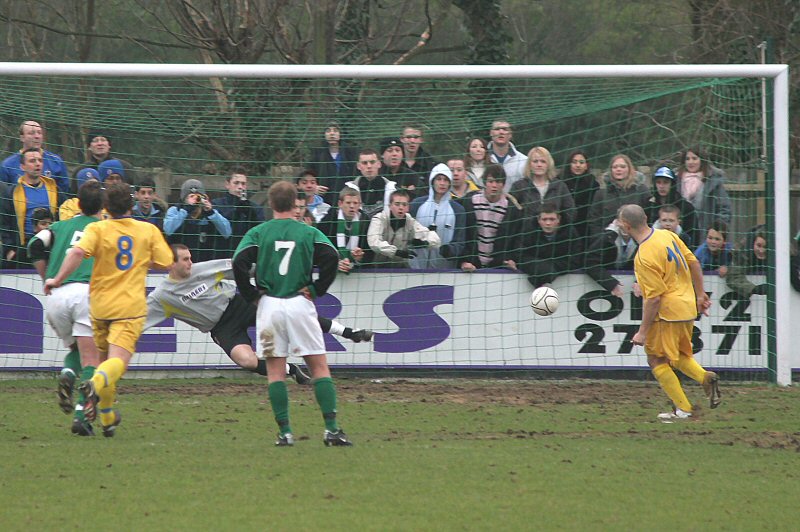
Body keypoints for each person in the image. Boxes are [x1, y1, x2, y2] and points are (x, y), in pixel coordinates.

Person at [44, 182, 174, 437]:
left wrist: (56, 279)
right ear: (132, 205)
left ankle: (107, 417)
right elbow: (166, 262)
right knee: (116, 363)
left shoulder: (97, 228)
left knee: (103, 362)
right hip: (129, 307)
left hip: (100, 307)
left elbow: (77, 252)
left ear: (107, 207)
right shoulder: (147, 230)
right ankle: (93, 384)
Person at [145, 244, 374, 385]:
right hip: (222, 328)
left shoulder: (201, 270)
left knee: (293, 315)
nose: (190, 262)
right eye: (185, 259)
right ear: (170, 264)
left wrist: (268, 272)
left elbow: (238, 267)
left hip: (240, 303)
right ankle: (291, 370)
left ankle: (349, 332)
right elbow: (137, 318)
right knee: (246, 360)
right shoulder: (162, 296)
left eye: (190, 257)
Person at [232, 180, 352, 447]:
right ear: (297, 203)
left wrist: (250, 294)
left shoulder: (259, 232)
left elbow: (238, 262)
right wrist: (318, 287)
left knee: (275, 371)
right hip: (299, 302)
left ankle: (285, 433)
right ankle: (331, 430)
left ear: (271, 204)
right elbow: (331, 256)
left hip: (269, 305)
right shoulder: (307, 232)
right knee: (319, 367)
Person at [620, 204, 720, 422]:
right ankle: (705, 377)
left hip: (667, 312)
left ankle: (684, 409)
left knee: (656, 359)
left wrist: (642, 332)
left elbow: (654, 298)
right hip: (686, 307)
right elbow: (693, 262)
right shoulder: (667, 235)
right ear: (646, 217)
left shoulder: (644, 255)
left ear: (626, 227)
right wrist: (700, 294)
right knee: (680, 356)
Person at [27, 180, 104, 436]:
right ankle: (82, 416)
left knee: (75, 350)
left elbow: (33, 246)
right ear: (102, 205)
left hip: (57, 296)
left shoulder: (59, 226)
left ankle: (68, 373)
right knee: (93, 358)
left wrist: (48, 276)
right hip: (86, 293)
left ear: (78, 204)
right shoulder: (104, 227)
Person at [0, 148, 65, 268]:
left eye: (40, 160)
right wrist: (10, 250)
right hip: (24, 252)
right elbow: (4, 224)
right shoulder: (12, 193)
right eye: (32, 161)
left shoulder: (55, 190)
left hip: (52, 250)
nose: (37, 163)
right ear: (22, 166)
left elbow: (65, 217)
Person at [459, 164, 524, 271]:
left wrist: (512, 259)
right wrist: (464, 260)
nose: (494, 185)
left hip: (499, 265)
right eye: (490, 181)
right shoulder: (469, 202)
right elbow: (463, 235)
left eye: (498, 182)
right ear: (484, 183)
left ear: (503, 184)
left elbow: (516, 238)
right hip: (471, 264)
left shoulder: (511, 209)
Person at [510, 146, 575, 242]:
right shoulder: (519, 187)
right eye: (535, 161)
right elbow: (511, 215)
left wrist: (559, 228)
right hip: (527, 240)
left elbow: (571, 211)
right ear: (529, 164)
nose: (539, 165)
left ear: (548, 164)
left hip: (555, 239)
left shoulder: (560, 186)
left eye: (543, 161)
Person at [409, 163, 467, 269]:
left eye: (446, 180)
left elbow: (460, 241)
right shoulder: (416, 205)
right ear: (432, 181)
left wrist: (449, 250)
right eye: (439, 179)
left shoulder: (458, 210)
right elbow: (405, 232)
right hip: (415, 269)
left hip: (445, 271)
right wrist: (414, 241)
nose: (442, 183)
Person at [514, 204, 582, 288]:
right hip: (537, 265)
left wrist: (548, 270)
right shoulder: (528, 230)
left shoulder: (570, 232)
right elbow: (520, 255)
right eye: (544, 219)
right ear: (538, 220)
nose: (548, 223)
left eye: (552, 219)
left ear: (559, 219)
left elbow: (574, 259)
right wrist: (545, 269)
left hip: (558, 271)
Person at [367, 189, 440, 267]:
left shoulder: (410, 222)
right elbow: (373, 242)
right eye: (397, 204)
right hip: (376, 266)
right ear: (390, 206)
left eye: (404, 204)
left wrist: (425, 243)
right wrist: (396, 252)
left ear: (408, 207)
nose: (401, 207)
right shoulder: (379, 219)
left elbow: (434, 239)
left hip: (400, 267)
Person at [164, 178, 232, 262]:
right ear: (183, 199)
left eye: (198, 197)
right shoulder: (175, 210)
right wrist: (186, 210)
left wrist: (211, 213)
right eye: (191, 196)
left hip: (204, 262)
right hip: (180, 262)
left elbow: (227, 232)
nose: (195, 200)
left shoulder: (210, 213)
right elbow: (168, 230)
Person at [676, 147, 732, 243]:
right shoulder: (676, 181)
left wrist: (717, 229)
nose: (690, 162)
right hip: (680, 234)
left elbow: (725, 208)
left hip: (705, 235)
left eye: (694, 158)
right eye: (687, 159)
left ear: (702, 160)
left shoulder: (713, 182)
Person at [587, 154, 649, 236]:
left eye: (622, 167)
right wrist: (600, 238)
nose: (618, 169)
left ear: (630, 169)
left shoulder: (641, 190)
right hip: (608, 241)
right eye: (615, 167)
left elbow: (649, 214)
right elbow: (594, 220)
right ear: (611, 170)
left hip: (637, 239)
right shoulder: (601, 194)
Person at [1, 120, 69, 193]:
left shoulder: (56, 161)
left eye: (39, 133)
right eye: (31, 133)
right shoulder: (7, 165)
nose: (37, 136)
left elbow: (65, 192)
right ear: (22, 137)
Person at [317, 186, 372, 272]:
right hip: (330, 268)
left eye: (355, 203)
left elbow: (370, 253)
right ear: (340, 204)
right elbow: (320, 248)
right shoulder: (328, 220)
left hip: (357, 272)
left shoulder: (365, 222)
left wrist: (359, 258)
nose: (352, 206)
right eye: (348, 203)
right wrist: (335, 262)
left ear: (360, 205)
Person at [583, 217, 639, 297]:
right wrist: (611, 284)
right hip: (601, 289)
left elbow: (650, 265)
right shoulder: (606, 237)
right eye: (624, 221)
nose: (626, 225)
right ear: (617, 222)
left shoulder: (644, 240)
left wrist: (640, 282)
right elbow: (589, 262)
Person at [211, 169, 264, 252]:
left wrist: (251, 215)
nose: (240, 187)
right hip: (221, 254)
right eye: (236, 183)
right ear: (227, 184)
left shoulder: (256, 208)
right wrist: (236, 212)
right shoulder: (216, 205)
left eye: (243, 184)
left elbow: (260, 234)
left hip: (246, 254)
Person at [308, 120, 359, 205]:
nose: (332, 133)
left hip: (347, 199)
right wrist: (314, 188)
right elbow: (308, 174)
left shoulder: (350, 152)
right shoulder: (317, 153)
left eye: (335, 130)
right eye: (328, 131)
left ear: (340, 134)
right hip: (324, 200)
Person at [646, 166, 696, 246]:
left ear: (672, 184)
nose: (662, 186)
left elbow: (693, 237)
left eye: (665, 182)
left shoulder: (686, 207)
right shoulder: (648, 205)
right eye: (658, 182)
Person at [560, 150, 599, 247]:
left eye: (581, 162)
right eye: (574, 162)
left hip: (585, 228)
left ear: (586, 165)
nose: (578, 165)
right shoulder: (560, 182)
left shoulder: (593, 183)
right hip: (563, 226)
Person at [348, 149, 397, 216]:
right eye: (364, 163)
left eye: (372, 162)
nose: (369, 166)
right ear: (358, 166)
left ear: (379, 164)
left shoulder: (392, 189)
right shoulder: (348, 189)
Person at [725, 225, 768, 299]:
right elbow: (733, 277)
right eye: (759, 245)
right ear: (752, 243)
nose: (761, 251)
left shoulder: (783, 255)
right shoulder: (741, 254)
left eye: (766, 247)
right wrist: (753, 289)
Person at [487, 119, 528, 191]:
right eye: (497, 129)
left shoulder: (524, 161)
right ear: (491, 133)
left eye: (505, 129)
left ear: (510, 134)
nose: (501, 132)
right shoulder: (481, 157)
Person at [400, 125, 436, 196]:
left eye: (416, 137)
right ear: (402, 139)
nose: (412, 141)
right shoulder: (394, 161)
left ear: (421, 140)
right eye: (408, 137)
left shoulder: (430, 163)